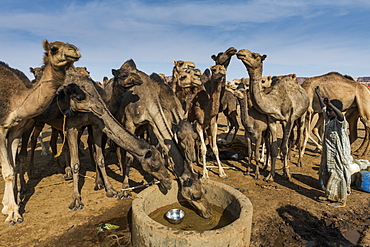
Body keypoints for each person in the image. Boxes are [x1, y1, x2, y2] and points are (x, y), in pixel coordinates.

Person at [315, 86, 351, 208]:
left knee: (338, 176)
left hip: (338, 154)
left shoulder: (340, 123)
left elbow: (341, 116)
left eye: (331, 110)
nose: (328, 112)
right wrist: (318, 95)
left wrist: (331, 104)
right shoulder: (329, 119)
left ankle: (341, 200)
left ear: (336, 111)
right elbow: (323, 108)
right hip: (328, 153)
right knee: (326, 172)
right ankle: (329, 196)